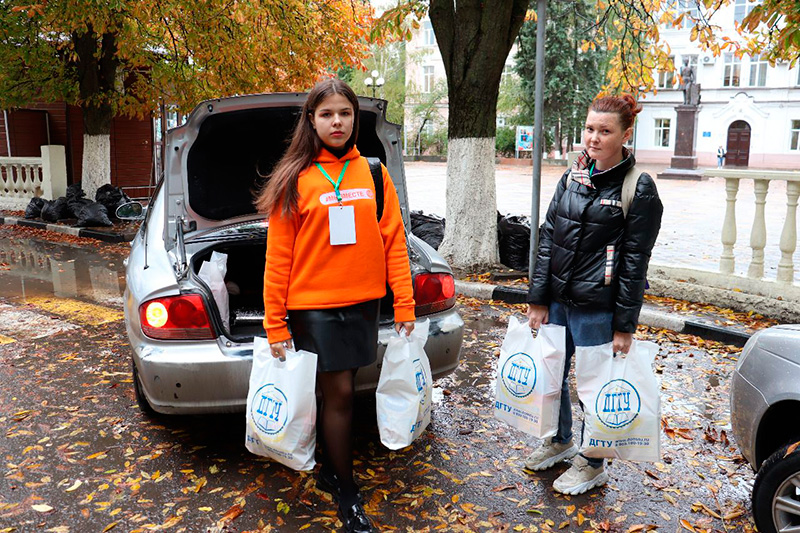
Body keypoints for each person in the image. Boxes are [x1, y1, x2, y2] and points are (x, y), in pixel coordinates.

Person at [256, 78, 415, 533]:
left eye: (344, 113)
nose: (337, 121)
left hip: (365, 303)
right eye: (326, 114)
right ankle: (346, 491)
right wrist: (275, 323)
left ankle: (329, 467)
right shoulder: (295, 178)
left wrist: (404, 304)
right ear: (311, 120)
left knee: (340, 391)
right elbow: (278, 258)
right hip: (315, 309)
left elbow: (394, 243)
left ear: (354, 118)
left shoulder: (374, 172)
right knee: (341, 394)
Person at [523, 94, 663, 495]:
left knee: (595, 385)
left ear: (625, 135)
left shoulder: (639, 187)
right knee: (552, 373)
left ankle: (592, 459)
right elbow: (549, 238)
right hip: (559, 302)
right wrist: (538, 298)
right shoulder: (572, 176)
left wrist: (624, 326)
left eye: (605, 131)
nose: (594, 138)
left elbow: (635, 262)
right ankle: (560, 438)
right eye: (590, 129)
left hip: (597, 309)